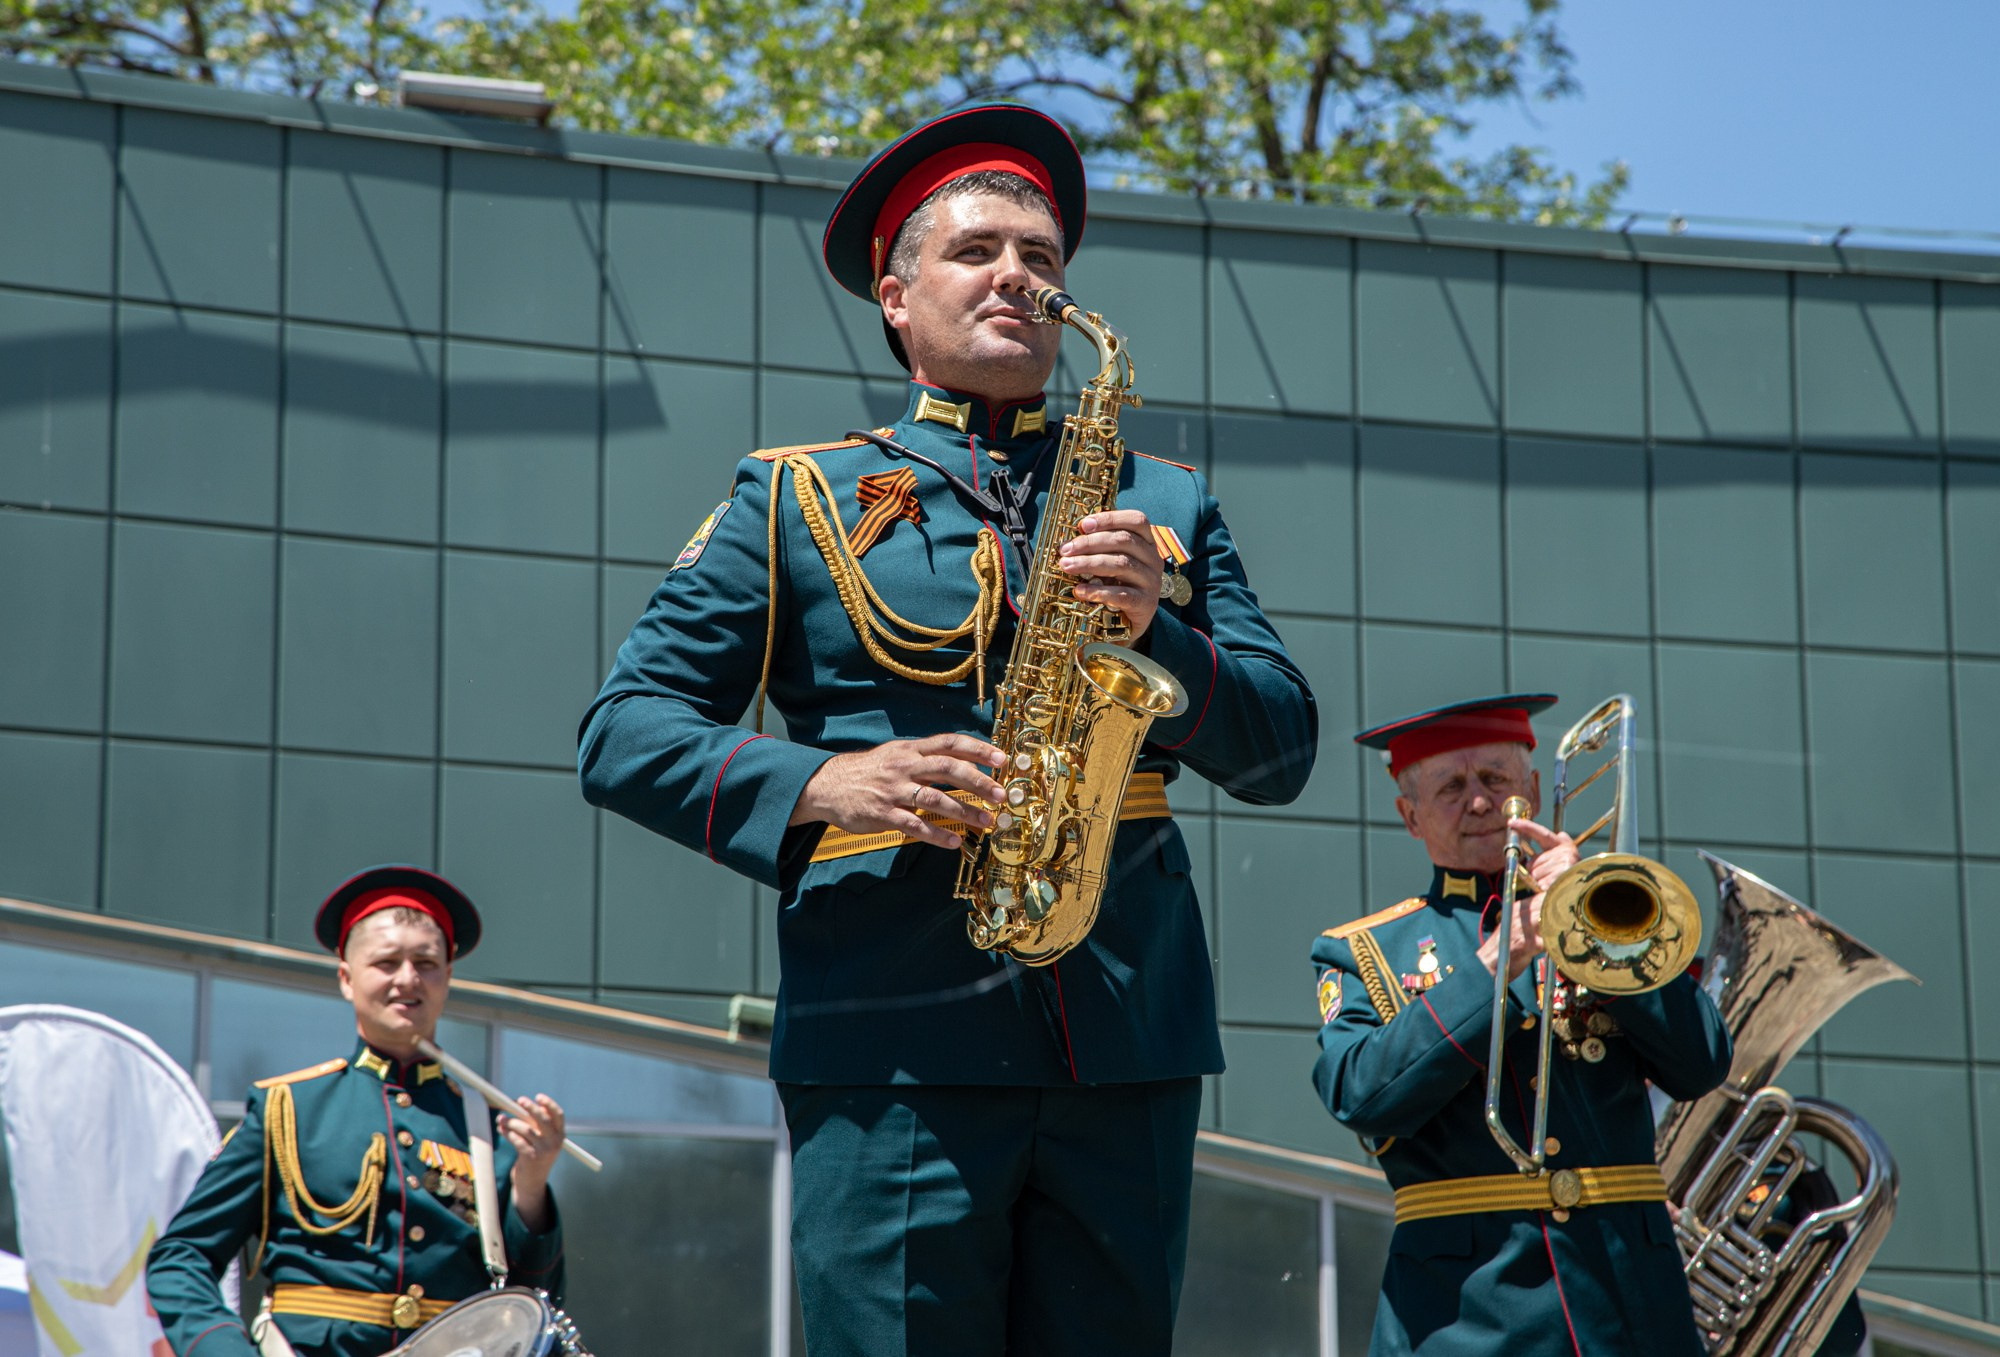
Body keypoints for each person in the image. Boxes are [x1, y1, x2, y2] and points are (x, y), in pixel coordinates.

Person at [580, 102, 1316, 1356]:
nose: (1018, 278)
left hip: (1125, 1042)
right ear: (895, 293)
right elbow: (624, 733)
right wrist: (828, 783)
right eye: (977, 251)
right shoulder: (791, 494)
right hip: (892, 1043)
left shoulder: (1168, 504)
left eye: (1040, 258)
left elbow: (1281, 750)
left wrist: (1163, 636)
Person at [1310, 695, 1731, 1357]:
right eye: (1451, 786)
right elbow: (1362, 1096)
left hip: (1633, 1314)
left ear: (1533, 790)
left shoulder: (1611, 910)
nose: (1481, 802)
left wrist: (1590, 916)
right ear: (1409, 817)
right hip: (1468, 1323)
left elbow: (1702, 1061)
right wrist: (1494, 961)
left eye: (1497, 781)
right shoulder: (1365, 951)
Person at [148, 866, 567, 1357]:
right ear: (347, 979)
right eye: (386, 962)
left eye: (427, 963)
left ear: (448, 977)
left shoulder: (489, 1130)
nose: (408, 979)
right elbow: (181, 1257)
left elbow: (536, 1303)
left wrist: (533, 1183)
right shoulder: (288, 1108)